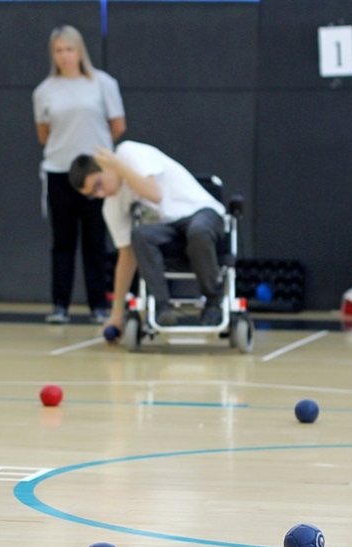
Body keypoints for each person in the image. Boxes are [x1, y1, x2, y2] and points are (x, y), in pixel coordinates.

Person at [69, 142, 226, 332]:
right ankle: (161, 307)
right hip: (169, 229)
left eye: (99, 185)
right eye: (93, 194)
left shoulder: (129, 152)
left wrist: (118, 165)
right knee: (140, 235)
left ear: (106, 164)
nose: (101, 194)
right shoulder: (111, 207)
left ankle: (213, 303)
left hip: (200, 212)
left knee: (198, 231)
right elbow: (126, 257)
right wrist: (116, 316)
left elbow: (154, 194)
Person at [33, 25, 126, 324]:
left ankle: (99, 305)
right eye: (59, 51)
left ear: (80, 51)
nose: (65, 56)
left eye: (69, 49)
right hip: (60, 172)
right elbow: (43, 134)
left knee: (95, 241)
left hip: (96, 174)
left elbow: (118, 126)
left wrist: (96, 152)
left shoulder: (103, 83)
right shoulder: (44, 91)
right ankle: (60, 305)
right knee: (63, 241)